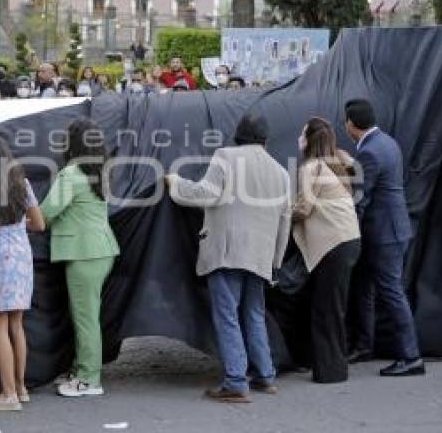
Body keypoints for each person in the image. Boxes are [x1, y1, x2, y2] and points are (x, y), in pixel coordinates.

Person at [166, 113, 291, 403]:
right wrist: (275, 262)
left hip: (227, 251)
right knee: (254, 314)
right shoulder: (281, 172)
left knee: (227, 316)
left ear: (238, 135)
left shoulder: (225, 156)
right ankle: (265, 376)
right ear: (265, 139)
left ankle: (236, 381)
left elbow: (205, 194)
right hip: (261, 254)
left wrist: (175, 182)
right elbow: (285, 220)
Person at [40, 118, 120, 398]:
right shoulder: (98, 172)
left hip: (84, 253)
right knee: (88, 316)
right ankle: (81, 369)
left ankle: (89, 379)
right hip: (101, 249)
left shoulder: (71, 175)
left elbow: (44, 215)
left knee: (85, 318)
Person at [345, 99, 425, 377]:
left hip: (383, 233)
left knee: (391, 292)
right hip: (393, 228)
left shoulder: (368, 153)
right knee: (365, 288)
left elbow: (361, 198)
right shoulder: (387, 143)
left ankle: (411, 357)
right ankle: (365, 346)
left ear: (350, 124)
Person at [0, 138, 45, 411]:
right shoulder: (22, 185)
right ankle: (21, 387)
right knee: (17, 324)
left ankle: (8, 395)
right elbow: (39, 224)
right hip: (21, 253)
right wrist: (18, 224)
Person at [292, 117, 362, 383]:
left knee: (326, 309)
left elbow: (303, 208)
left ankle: (331, 372)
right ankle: (333, 366)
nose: (299, 139)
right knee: (334, 306)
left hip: (333, 244)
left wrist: (280, 215)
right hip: (349, 240)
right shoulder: (335, 163)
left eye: (302, 134)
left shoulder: (310, 167)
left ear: (309, 140)